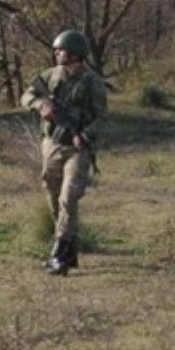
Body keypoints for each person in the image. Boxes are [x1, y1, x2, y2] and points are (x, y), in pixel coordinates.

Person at [22, 29, 107, 275]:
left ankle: (58, 255)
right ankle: (69, 249)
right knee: (52, 192)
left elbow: (101, 117)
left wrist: (86, 135)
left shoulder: (92, 83)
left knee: (68, 197)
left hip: (78, 148)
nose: (57, 53)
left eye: (62, 50)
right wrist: (41, 105)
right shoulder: (49, 76)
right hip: (52, 144)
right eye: (57, 50)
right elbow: (27, 95)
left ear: (76, 54)